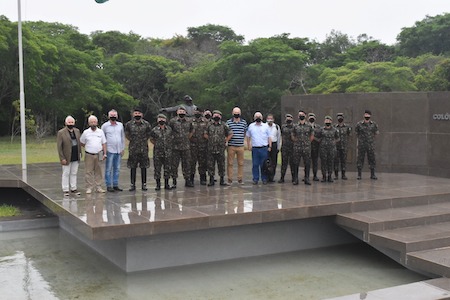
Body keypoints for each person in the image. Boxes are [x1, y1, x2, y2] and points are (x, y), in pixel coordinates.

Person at [124, 107, 152, 191]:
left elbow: (148, 134)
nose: (137, 115)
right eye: (136, 113)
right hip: (133, 148)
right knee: (133, 167)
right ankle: (133, 184)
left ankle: (144, 184)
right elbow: (127, 134)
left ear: (142, 115)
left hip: (143, 148)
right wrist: (134, 141)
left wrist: (142, 141)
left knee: (144, 167)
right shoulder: (129, 124)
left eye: (139, 113)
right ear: (133, 114)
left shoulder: (146, 124)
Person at [80, 115, 107, 194]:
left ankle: (98, 187)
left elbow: (104, 143)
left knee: (99, 171)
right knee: (88, 172)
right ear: (89, 123)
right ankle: (89, 187)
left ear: (97, 122)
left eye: (94, 122)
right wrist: (88, 147)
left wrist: (105, 153)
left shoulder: (101, 132)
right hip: (89, 155)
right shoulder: (86, 132)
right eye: (91, 122)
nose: (93, 123)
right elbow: (81, 142)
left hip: (99, 154)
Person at [205, 110, 233, 186]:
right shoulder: (209, 125)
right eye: (215, 115)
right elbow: (205, 134)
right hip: (211, 148)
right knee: (210, 165)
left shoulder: (224, 125)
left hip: (220, 149)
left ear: (220, 116)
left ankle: (222, 180)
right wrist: (211, 139)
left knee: (221, 165)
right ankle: (211, 180)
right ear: (213, 116)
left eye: (218, 115)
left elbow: (230, 133)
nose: (216, 116)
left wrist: (226, 140)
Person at [169, 105, 194, 188]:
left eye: (183, 112)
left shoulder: (189, 121)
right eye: (180, 112)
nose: (181, 113)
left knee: (186, 164)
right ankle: (174, 181)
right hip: (175, 147)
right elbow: (170, 131)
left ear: (185, 112)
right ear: (177, 112)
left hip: (186, 147)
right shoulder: (173, 121)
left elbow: (191, 131)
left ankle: (187, 180)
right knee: (174, 165)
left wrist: (187, 138)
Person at [57, 115, 82, 196]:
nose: (70, 123)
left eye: (72, 122)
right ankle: (65, 189)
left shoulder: (77, 131)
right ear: (65, 123)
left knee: (74, 172)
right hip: (66, 156)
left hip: (75, 155)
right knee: (66, 173)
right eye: (69, 122)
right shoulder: (61, 133)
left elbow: (79, 143)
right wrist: (62, 158)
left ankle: (73, 188)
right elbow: (59, 147)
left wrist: (80, 153)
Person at [101, 109, 125, 192]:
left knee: (117, 169)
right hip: (109, 150)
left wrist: (123, 148)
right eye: (111, 115)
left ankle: (115, 184)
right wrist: (104, 151)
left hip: (118, 150)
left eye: (114, 115)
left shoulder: (120, 125)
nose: (113, 117)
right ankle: (108, 185)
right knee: (108, 169)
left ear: (117, 116)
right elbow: (102, 138)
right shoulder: (105, 126)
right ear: (108, 116)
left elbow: (122, 137)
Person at [246, 112, 271, 185]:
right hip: (255, 148)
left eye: (259, 116)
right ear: (254, 118)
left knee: (264, 165)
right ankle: (255, 179)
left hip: (264, 148)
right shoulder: (251, 126)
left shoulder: (266, 126)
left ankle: (264, 178)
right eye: (256, 116)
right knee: (255, 164)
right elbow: (248, 136)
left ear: (262, 118)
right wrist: (248, 145)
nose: (258, 118)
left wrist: (270, 146)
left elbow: (269, 137)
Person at [150, 114, 173, 190]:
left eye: (163, 118)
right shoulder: (154, 130)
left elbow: (172, 138)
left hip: (168, 152)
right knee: (157, 169)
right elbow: (152, 139)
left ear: (165, 120)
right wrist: (158, 145)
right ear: (157, 120)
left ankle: (167, 184)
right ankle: (158, 184)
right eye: (160, 119)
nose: (161, 120)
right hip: (157, 152)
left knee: (167, 168)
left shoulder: (169, 129)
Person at [226, 107, 248, 185]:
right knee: (230, 163)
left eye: (238, 112)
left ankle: (240, 179)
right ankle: (230, 179)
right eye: (235, 113)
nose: (236, 114)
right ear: (232, 113)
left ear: (240, 113)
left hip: (240, 146)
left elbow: (245, 132)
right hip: (231, 146)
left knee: (241, 163)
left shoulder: (244, 122)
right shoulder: (228, 122)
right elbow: (226, 132)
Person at [355, 110, 379, 180]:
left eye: (368, 115)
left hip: (370, 145)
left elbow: (376, 133)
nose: (367, 116)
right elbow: (356, 133)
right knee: (360, 159)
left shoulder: (374, 124)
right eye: (365, 115)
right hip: (361, 145)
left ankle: (373, 174)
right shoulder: (359, 124)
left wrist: (370, 140)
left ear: (370, 116)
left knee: (372, 159)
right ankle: (359, 175)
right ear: (363, 115)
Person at [291, 110, 313, 185]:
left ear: (305, 116)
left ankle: (306, 178)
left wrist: (307, 142)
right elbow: (292, 135)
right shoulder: (295, 126)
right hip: (297, 147)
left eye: (302, 114)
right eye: (300, 115)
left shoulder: (309, 126)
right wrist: (296, 141)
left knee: (307, 163)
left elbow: (312, 136)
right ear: (298, 116)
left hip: (306, 147)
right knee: (296, 163)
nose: (301, 116)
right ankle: (296, 179)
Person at [316, 116, 339, 182]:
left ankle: (329, 176)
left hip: (331, 149)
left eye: (329, 120)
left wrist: (334, 142)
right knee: (323, 163)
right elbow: (316, 137)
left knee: (330, 162)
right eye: (326, 120)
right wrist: (320, 141)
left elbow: (338, 138)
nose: (327, 122)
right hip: (323, 149)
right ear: (324, 121)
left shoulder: (334, 130)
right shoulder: (321, 129)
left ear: (331, 121)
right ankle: (324, 176)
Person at [190, 107, 209, 185]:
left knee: (202, 163)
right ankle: (191, 179)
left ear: (202, 112)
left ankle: (203, 179)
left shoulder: (206, 121)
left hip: (203, 145)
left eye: (199, 111)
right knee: (192, 163)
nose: (198, 112)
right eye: (196, 111)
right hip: (192, 145)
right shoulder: (190, 121)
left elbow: (208, 132)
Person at [334, 113, 352, 180]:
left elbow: (350, 135)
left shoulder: (347, 127)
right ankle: (336, 175)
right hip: (336, 147)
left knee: (343, 161)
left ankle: (343, 174)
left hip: (344, 146)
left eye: (341, 118)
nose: (340, 119)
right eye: (338, 118)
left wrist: (347, 143)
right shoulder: (334, 127)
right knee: (336, 161)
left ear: (343, 119)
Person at [278, 114, 295, 183]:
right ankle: (282, 178)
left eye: (290, 118)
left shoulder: (294, 127)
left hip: (292, 147)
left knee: (292, 163)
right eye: (287, 118)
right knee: (284, 163)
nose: (288, 119)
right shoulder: (283, 127)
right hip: (284, 147)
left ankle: (294, 178)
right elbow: (280, 135)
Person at [266, 114, 281, 183]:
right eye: (268, 118)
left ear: (273, 119)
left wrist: (278, 147)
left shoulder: (277, 127)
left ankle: (272, 177)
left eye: (271, 118)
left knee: (274, 162)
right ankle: (266, 177)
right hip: (266, 145)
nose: (270, 120)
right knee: (266, 162)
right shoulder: (264, 126)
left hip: (274, 145)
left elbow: (278, 137)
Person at [308, 113, 321, 181]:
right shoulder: (305, 126)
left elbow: (320, 137)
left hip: (315, 147)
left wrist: (314, 138)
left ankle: (315, 175)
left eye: (313, 117)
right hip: (307, 147)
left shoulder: (318, 127)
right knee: (307, 162)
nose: (311, 118)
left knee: (315, 162)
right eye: (310, 117)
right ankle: (306, 176)